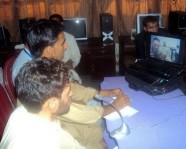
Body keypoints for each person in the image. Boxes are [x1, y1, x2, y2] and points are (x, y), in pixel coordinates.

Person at [11, 20, 131, 149]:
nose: (66, 46)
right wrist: (113, 107)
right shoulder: (36, 78)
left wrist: (100, 93)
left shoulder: (45, 66)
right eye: (63, 43)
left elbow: (69, 87)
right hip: (68, 131)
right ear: (49, 49)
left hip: (69, 123)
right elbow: (72, 111)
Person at [0, 57, 84, 148]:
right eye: (68, 92)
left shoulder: (19, 112)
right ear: (52, 103)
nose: (71, 93)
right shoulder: (53, 140)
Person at [49, 14, 82, 84]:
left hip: (68, 68)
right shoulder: (47, 39)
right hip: (52, 72)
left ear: (61, 24)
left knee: (76, 83)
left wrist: (71, 62)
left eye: (56, 23)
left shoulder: (70, 38)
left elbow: (77, 55)